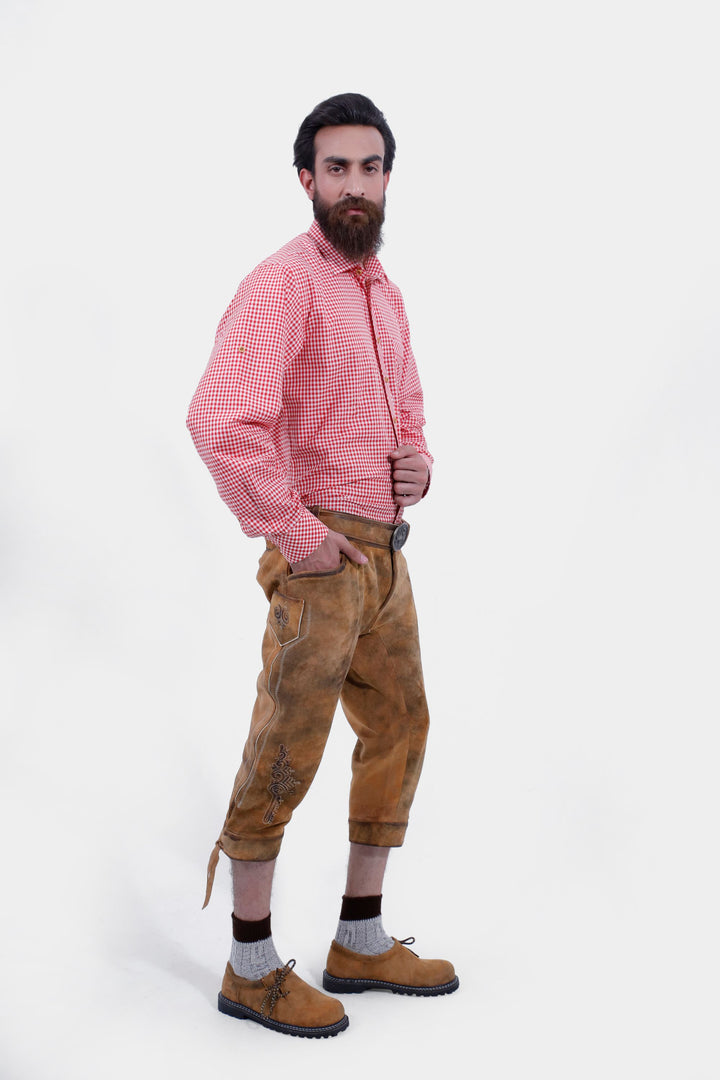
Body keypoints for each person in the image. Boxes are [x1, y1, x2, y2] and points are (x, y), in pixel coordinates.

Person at [187, 92, 458, 1039]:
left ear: (388, 178)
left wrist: (417, 464)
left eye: (370, 167)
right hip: (321, 554)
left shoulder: (384, 292)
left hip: (386, 556)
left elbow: (406, 413)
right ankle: (250, 965)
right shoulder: (285, 283)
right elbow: (221, 423)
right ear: (307, 179)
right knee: (286, 747)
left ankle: (360, 940)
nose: (355, 185)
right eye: (336, 168)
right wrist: (297, 537)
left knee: (401, 730)